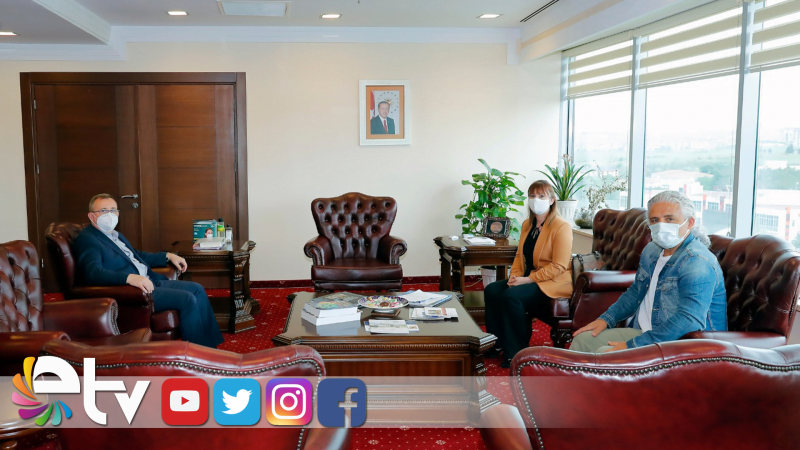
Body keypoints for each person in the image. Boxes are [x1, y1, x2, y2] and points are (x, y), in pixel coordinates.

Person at [571, 190, 727, 353]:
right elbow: (636, 292)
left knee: (604, 353)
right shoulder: (652, 250)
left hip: (685, 345)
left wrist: (632, 345)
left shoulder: (697, 261)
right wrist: (606, 319)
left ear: (690, 222)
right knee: (583, 341)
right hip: (645, 334)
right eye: (655, 220)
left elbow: (689, 320)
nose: (661, 225)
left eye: (669, 219)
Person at [74, 193, 224, 348]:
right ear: (91, 216)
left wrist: (167, 256)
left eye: (113, 210)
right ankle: (195, 352)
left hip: (150, 280)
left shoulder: (114, 235)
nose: (110, 215)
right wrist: (129, 278)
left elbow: (137, 255)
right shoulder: (88, 239)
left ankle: (210, 348)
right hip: (134, 290)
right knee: (187, 298)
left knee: (197, 289)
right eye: (104, 211)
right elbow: (93, 273)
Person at [484, 180, 573, 368]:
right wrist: (514, 277)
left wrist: (526, 280)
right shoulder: (527, 224)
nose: (536, 200)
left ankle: (516, 352)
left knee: (511, 297)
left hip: (552, 282)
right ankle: (497, 342)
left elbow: (559, 266)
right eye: (532, 196)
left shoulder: (561, 226)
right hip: (529, 277)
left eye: (541, 196)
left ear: (552, 200)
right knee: (492, 290)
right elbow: (519, 256)